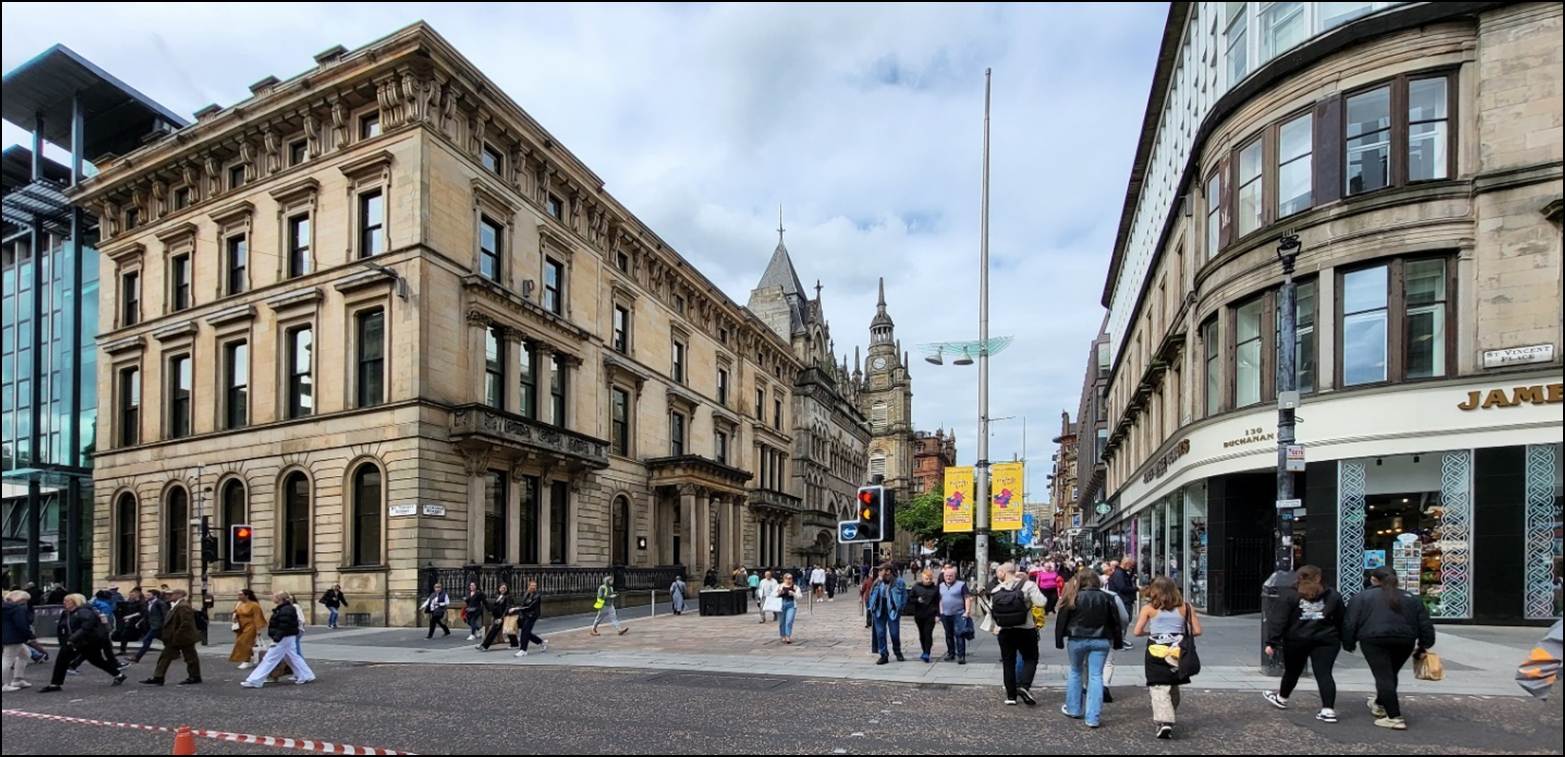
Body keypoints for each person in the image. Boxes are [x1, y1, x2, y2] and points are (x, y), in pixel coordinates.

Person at [1342, 567, 1435, 731]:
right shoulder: (1410, 598)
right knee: (1390, 674)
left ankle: (1394, 716)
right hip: (1405, 640)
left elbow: (1350, 621)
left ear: (1373, 580)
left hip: (1374, 639)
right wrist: (1425, 643)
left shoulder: (1362, 597)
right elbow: (1424, 623)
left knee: (1383, 675)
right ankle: (1379, 703)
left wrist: (1349, 642)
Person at [1262, 564, 1346, 723]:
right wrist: (1345, 639)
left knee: (1292, 671)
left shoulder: (1290, 595)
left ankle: (1282, 698)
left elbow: (1279, 621)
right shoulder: (1332, 595)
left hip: (1296, 639)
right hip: (1326, 640)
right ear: (1319, 577)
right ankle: (1328, 710)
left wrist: (1272, 642)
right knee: (1324, 673)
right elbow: (1342, 619)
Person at [1133, 576, 1203, 740]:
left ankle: (1165, 720)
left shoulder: (1149, 608)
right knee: (1173, 684)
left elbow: (1137, 631)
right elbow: (1197, 630)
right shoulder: (1186, 607)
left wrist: (1152, 632)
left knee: (1158, 685)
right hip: (1177, 651)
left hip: (1156, 650)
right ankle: (1168, 715)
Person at [1056, 569, 1123, 729]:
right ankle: (1093, 717)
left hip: (1076, 639)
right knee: (1096, 676)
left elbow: (1061, 620)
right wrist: (1118, 641)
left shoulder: (1073, 597)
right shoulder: (1107, 597)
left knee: (1075, 671)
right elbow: (1116, 622)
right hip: (1101, 640)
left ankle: (1073, 708)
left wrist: (1059, 640)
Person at [987, 562, 1049, 705]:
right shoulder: (1028, 585)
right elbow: (1042, 602)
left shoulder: (997, 589)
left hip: (1005, 631)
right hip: (1026, 628)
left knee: (1008, 662)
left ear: (1003, 572)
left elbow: (991, 610)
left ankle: (1010, 697)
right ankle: (1024, 686)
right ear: (1015, 571)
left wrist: (994, 627)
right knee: (1030, 658)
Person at [40, 593, 126, 692]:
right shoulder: (67, 613)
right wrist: (64, 640)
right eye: (64, 600)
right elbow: (62, 627)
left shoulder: (84, 612)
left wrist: (71, 639)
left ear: (75, 602)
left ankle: (55, 684)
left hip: (86, 641)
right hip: (76, 641)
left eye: (67, 601)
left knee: (94, 661)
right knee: (66, 660)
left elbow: (86, 628)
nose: (64, 602)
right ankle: (55, 684)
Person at [241, 592, 315, 688]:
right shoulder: (286, 608)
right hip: (287, 636)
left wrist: (276, 639)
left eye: (274, 596)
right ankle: (306, 675)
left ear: (279, 599)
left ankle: (255, 680)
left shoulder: (285, 609)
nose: (272, 598)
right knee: (292, 657)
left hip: (283, 637)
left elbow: (283, 626)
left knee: (270, 658)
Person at [141, 589, 201, 686]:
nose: (168, 596)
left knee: (190, 657)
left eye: (170, 594)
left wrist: (177, 636)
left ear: (179, 595)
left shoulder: (183, 606)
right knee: (165, 657)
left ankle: (195, 676)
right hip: (174, 637)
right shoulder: (176, 605)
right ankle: (158, 677)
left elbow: (186, 623)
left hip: (183, 637)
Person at [866, 565, 908, 665]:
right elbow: (871, 594)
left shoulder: (898, 582)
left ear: (888, 571)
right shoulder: (877, 582)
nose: (879, 572)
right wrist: (871, 606)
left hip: (892, 610)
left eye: (881, 570)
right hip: (879, 610)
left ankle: (897, 651)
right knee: (880, 634)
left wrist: (900, 608)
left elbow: (904, 596)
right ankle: (884, 655)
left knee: (894, 633)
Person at [937, 564, 973, 664]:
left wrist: (967, 611)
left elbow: (967, 598)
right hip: (945, 614)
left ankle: (961, 656)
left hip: (959, 613)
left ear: (954, 576)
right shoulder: (940, 586)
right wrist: (940, 612)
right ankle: (950, 653)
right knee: (948, 635)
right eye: (946, 576)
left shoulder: (961, 585)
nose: (948, 577)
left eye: (950, 576)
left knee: (959, 634)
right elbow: (939, 599)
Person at [3, 589, 37, 691]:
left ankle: (18, 679)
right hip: (14, 636)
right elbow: (22, 624)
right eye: (25, 600)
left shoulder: (5, 607)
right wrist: (30, 636)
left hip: (6, 635)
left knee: (25, 654)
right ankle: (5, 684)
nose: (26, 603)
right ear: (20, 599)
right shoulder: (17, 609)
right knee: (7, 659)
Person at [907, 569, 941, 663]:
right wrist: (917, 600)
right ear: (922, 578)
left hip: (931, 615)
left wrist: (938, 615)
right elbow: (910, 599)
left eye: (930, 579)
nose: (928, 580)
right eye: (926, 579)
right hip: (919, 614)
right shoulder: (916, 587)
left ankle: (927, 652)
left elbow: (938, 602)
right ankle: (924, 650)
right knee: (922, 634)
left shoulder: (935, 589)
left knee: (928, 633)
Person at [229, 589, 266, 670]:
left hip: (251, 626)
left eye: (241, 594)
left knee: (244, 642)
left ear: (247, 595)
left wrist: (258, 629)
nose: (239, 596)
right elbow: (235, 613)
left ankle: (246, 661)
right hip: (241, 626)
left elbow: (258, 617)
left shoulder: (254, 605)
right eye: (238, 594)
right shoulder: (239, 604)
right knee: (242, 642)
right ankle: (249, 658)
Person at [129, 588, 167, 663]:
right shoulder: (148, 603)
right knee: (165, 640)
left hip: (157, 626)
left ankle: (137, 657)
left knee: (146, 640)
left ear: (155, 596)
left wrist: (165, 625)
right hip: (151, 625)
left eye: (149, 595)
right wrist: (139, 622)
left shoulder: (160, 603)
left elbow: (165, 615)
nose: (146, 596)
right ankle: (177, 650)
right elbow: (146, 615)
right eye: (146, 595)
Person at [477, 583, 518, 650]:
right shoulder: (499, 596)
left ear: (507, 589)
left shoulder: (508, 597)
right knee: (507, 630)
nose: (503, 589)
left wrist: (502, 618)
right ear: (499, 589)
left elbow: (507, 607)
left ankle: (484, 646)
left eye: (504, 588)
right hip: (498, 616)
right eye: (502, 588)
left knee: (494, 631)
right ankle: (514, 644)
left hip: (504, 616)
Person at [514, 580, 547, 657]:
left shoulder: (537, 595)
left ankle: (523, 650)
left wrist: (518, 609)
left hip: (532, 616)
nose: (533, 587)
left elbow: (530, 606)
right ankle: (541, 642)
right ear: (528, 586)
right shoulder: (527, 593)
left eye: (534, 586)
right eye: (531, 585)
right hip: (524, 615)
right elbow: (523, 604)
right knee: (527, 632)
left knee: (524, 632)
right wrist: (520, 610)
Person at [114, 588, 146, 657]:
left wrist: (129, 616)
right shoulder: (130, 602)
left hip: (137, 622)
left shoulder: (141, 603)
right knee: (124, 635)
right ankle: (122, 650)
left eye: (132, 595)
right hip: (129, 622)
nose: (130, 596)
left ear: (137, 595)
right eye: (130, 595)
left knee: (148, 636)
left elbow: (141, 613)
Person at [775, 573, 800, 644]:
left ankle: (788, 636)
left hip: (791, 605)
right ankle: (782, 635)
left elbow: (799, 596)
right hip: (781, 604)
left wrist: (793, 593)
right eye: (787, 578)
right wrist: (779, 593)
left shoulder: (795, 587)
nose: (789, 580)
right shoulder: (779, 586)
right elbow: (773, 595)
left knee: (789, 621)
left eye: (790, 578)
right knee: (781, 621)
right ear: (784, 579)